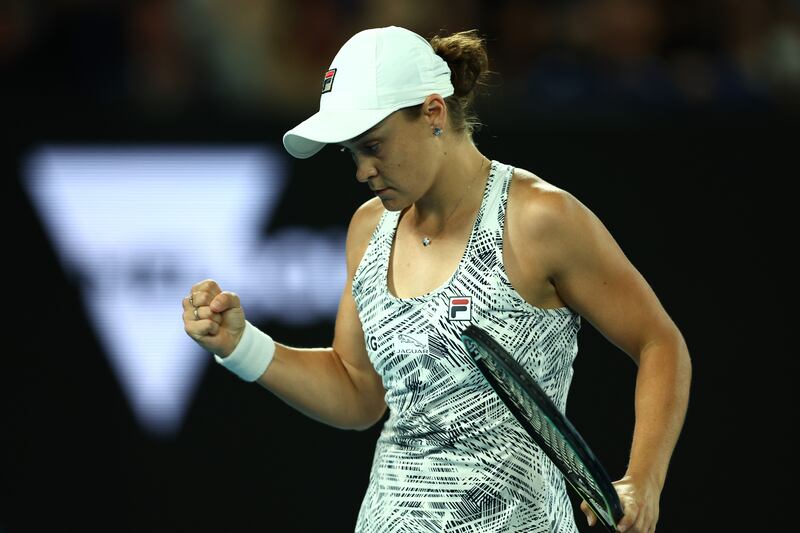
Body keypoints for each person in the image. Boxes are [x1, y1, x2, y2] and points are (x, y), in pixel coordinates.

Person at [182, 26, 691, 533]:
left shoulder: (540, 219)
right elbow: (358, 392)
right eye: (352, 153)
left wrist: (643, 481)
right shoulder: (367, 230)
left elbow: (659, 343)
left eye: (373, 145)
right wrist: (241, 345)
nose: (362, 170)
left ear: (433, 113)